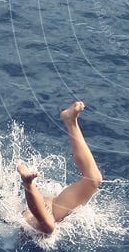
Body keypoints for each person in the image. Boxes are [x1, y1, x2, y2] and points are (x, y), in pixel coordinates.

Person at [17, 100, 102, 235]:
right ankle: (28, 183)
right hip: (36, 217)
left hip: (49, 210)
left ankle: (70, 121)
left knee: (93, 180)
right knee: (49, 228)